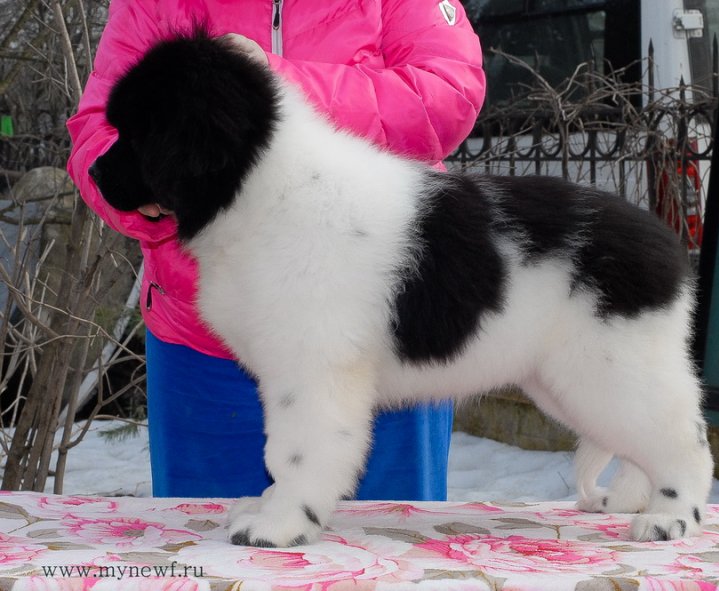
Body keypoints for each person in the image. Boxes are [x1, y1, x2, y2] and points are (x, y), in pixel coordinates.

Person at [67, 0, 486, 500]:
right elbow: (100, 129)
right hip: (208, 346)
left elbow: (448, 94)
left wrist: (264, 91)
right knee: (208, 557)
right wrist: (148, 192)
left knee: (383, 556)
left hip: (380, 334)